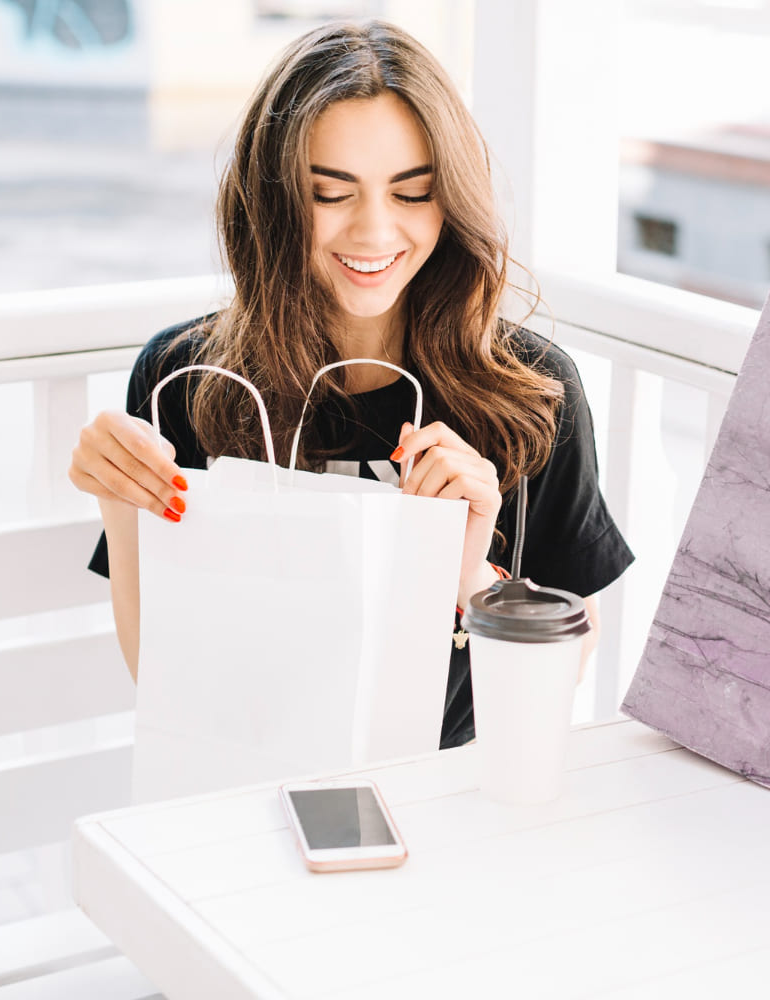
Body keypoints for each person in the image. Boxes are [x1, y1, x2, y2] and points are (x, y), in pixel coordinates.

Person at [67, 20, 634, 749]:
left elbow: (560, 678)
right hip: (245, 778)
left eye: (413, 193)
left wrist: (468, 574)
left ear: (452, 198)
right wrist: (122, 501)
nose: (373, 232)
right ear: (272, 200)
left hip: (453, 793)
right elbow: (164, 673)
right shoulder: (186, 381)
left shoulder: (531, 391)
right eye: (331, 194)